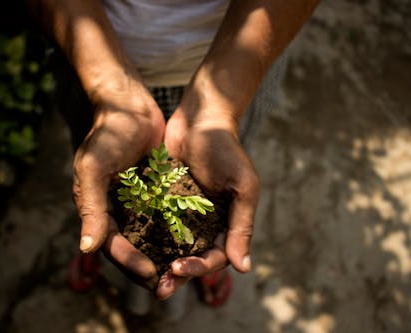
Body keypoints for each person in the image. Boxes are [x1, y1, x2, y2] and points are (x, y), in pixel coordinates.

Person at [25, 0, 319, 315]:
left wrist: (219, 110)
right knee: (98, 177)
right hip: (87, 61)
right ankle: (98, 247)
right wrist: (112, 94)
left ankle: (196, 255)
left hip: (241, 63)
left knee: (222, 166)